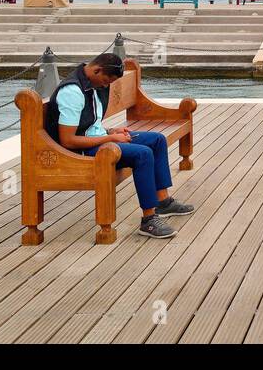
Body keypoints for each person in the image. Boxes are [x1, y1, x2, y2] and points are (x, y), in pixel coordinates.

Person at [46, 53, 194, 239]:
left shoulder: (91, 84)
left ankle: (162, 202)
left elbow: (88, 125)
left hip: (97, 141)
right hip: (79, 151)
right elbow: (68, 140)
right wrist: (111, 140)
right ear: (96, 70)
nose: (106, 85)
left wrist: (110, 132)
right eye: (106, 80)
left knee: (157, 140)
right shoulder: (72, 92)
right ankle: (149, 221)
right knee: (143, 154)